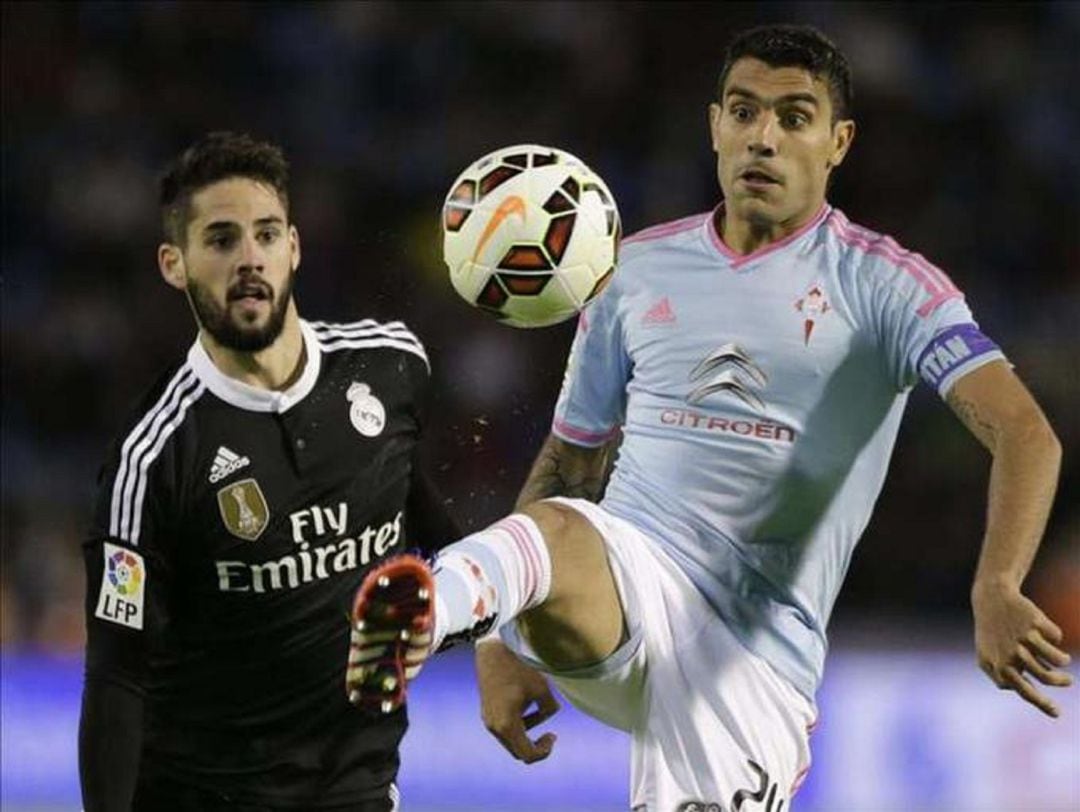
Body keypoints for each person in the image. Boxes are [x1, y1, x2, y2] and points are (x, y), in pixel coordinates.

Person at [347, 24, 1072, 810]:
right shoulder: (632, 270)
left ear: (839, 142)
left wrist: (997, 585)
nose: (764, 137)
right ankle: (429, 611)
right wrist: (497, 641)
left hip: (753, 660)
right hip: (630, 582)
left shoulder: (889, 287)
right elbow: (571, 463)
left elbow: (1025, 431)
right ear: (715, 125)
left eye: (794, 117)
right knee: (555, 523)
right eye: (744, 111)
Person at [79, 131, 457, 812]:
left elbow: (428, 523)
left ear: (295, 248)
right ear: (175, 263)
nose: (249, 258)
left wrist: (494, 643)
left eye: (266, 234)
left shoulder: (390, 366)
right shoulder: (153, 458)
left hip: (358, 793)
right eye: (221, 240)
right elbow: (117, 677)